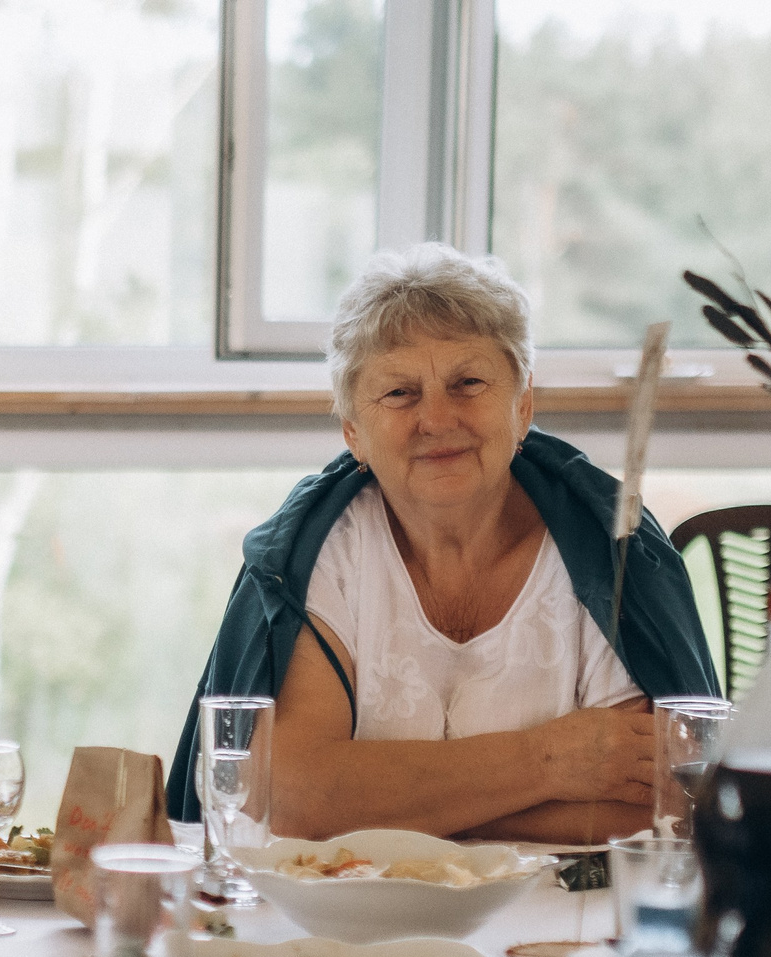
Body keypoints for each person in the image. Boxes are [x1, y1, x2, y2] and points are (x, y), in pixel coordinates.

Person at [166, 244, 721, 843]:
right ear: (354, 432)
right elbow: (292, 795)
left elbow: (658, 802)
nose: (437, 418)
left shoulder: (605, 547)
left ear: (523, 405)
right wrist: (552, 761)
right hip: (353, 914)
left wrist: (391, 806)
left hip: (557, 921)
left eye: (469, 382)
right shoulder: (323, 551)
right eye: (400, 393)